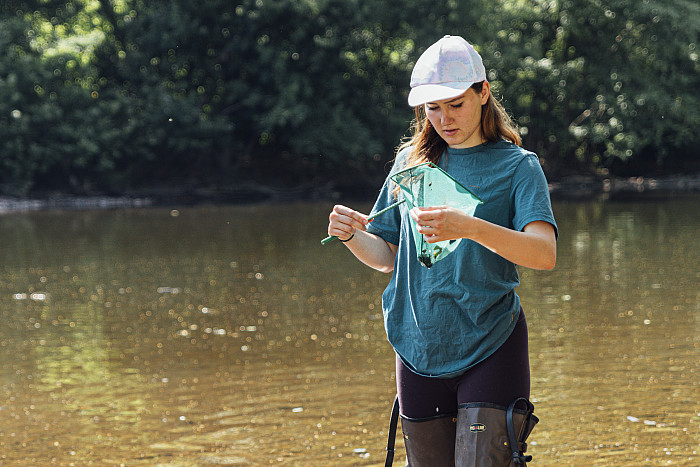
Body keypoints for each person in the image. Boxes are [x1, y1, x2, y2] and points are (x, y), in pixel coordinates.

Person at [326, 35, 557, 466]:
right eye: (433, 108)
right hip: (416, 344)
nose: (444, 119)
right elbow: (387, 257)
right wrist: (351, 235)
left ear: (483, 92)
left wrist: (468, 226)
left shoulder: (519, 167)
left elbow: (544, 254)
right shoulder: (410, 164)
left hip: (491, 343)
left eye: (455, 104)